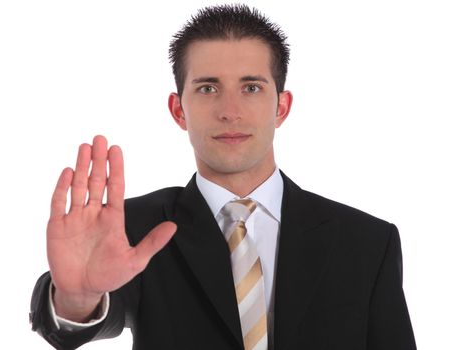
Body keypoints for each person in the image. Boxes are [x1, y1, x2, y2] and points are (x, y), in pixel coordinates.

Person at [30, 4, 416, 350]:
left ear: (281, 107)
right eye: (208, 88)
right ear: (179, 110)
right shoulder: (133, 229)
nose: (230, 111)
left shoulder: (366, 242)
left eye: (251, 87)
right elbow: (93, 313)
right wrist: (78, 300)